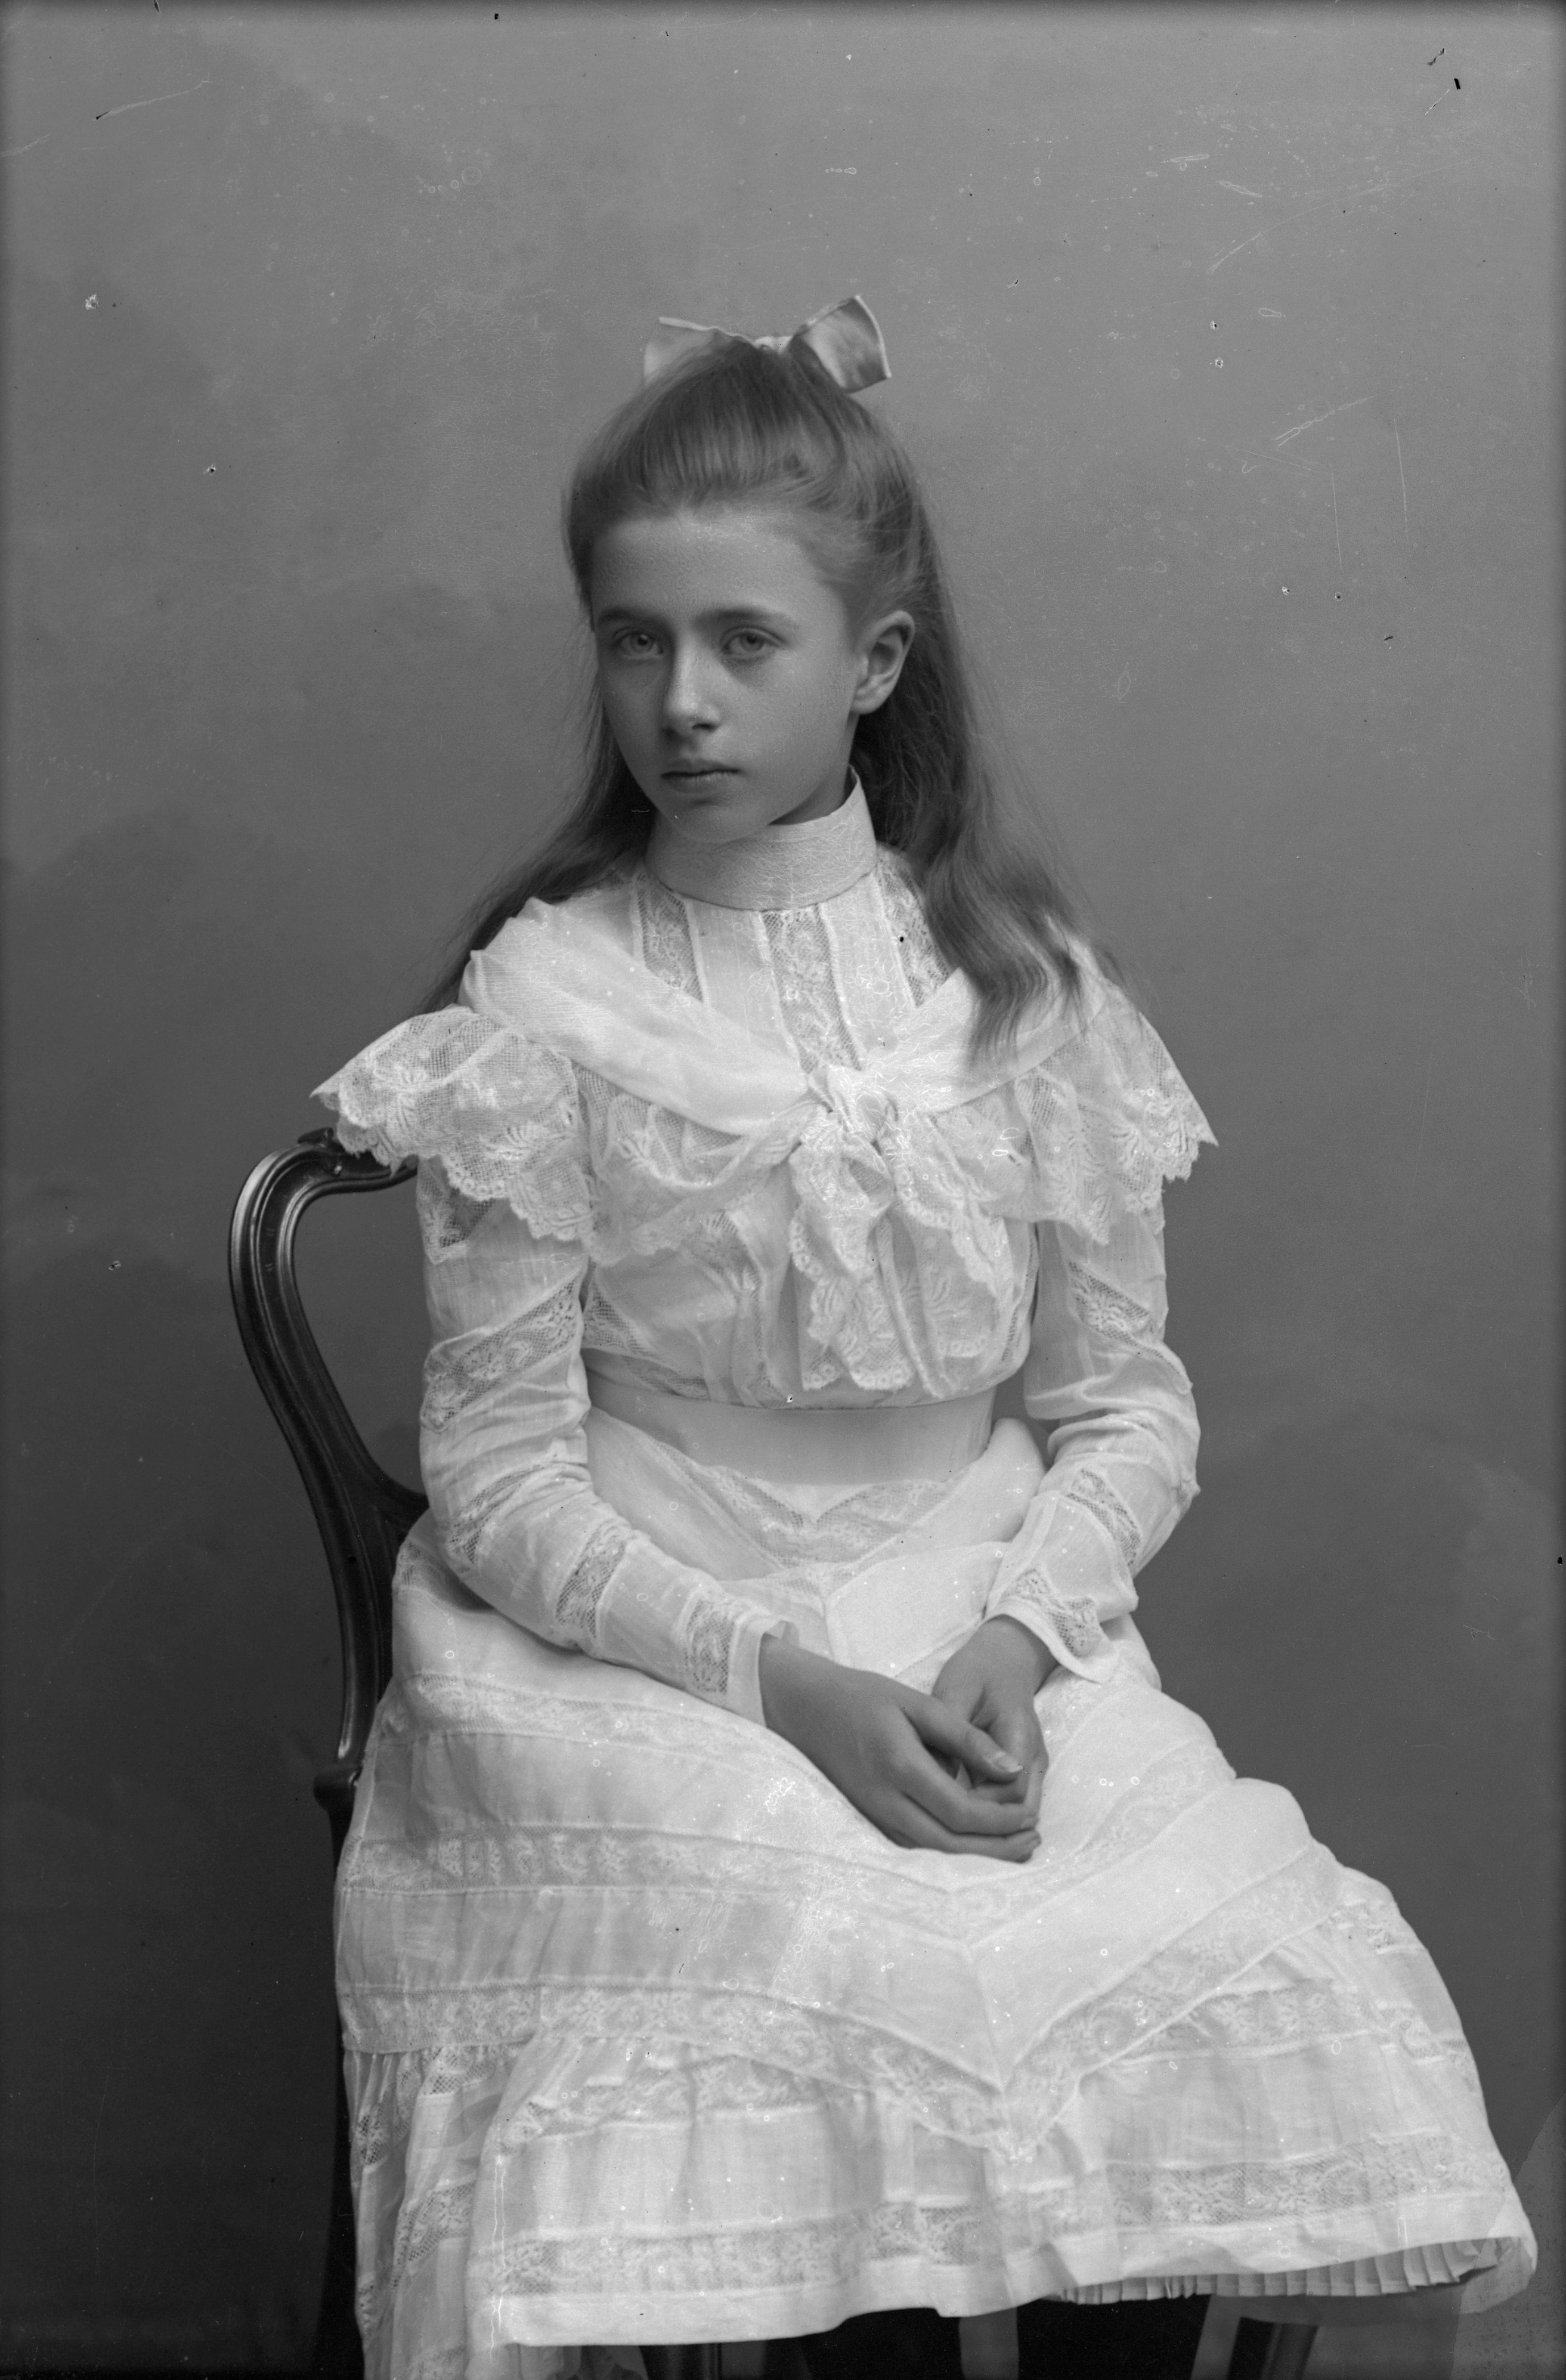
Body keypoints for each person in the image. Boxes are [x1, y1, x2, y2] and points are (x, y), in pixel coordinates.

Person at [314, 298, 1533, 2380]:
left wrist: (1017, 1638)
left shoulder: (1019, 989)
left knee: (1186, 1950)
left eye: (745, 642)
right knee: (837, 1963)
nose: (682, 701)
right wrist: (788, 1687)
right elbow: (501, 1483)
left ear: (873, 664)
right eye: (633, 641)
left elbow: (1119, 1406)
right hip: (642, 1638)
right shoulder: (547, 1006)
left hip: (976, 1606)